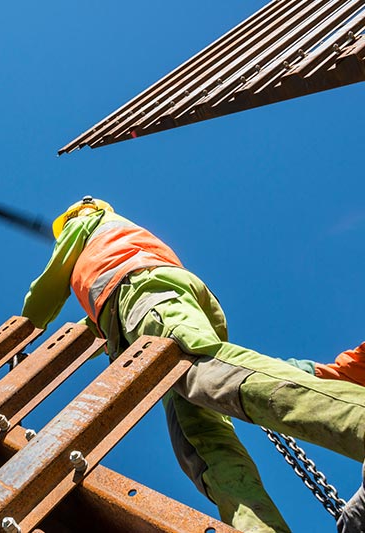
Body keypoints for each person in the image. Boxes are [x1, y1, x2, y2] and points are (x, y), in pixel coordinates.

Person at [21, 196, 365, 533]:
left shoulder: (88, 223)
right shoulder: (102, 272)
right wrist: (48, 354)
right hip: (144, 320)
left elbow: (48, 287)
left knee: (205, 372)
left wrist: (23, 334)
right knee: (200, 443)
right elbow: (96, 330)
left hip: (149, 295)